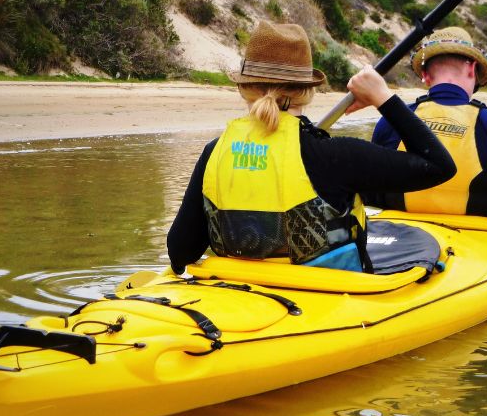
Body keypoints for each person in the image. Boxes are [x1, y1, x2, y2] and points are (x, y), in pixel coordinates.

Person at [167, 21, 456, 274]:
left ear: (244, 87)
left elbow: (180, 252)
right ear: (307, 91)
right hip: (326, 298)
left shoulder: (215, 152)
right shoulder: (335, 156)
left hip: (242, 296)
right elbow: (440, 166)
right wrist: (383, 98)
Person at [365, 27, 487, 231]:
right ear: (472, 69)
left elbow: (371, 197)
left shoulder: (390, 121)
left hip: (399, 240)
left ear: (425, 75)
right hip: (476, 249)